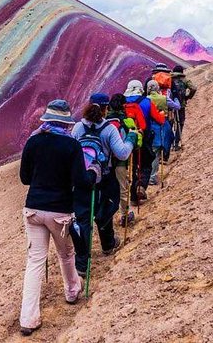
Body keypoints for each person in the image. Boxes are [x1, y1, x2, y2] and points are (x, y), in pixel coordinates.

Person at [19, 99, 97, 336]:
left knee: (34, 261)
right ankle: (72, 291)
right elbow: (81, 182)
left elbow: (24, 178)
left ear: (47, 119)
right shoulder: (71, 145)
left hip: (32, 209)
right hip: (60, 211)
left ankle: (28, 318)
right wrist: (93, 172)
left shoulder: (33, 141)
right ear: (65, 122)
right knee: (66, 254)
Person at [71, 93, 137, 275]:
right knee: (105, 210)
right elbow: (122, 153)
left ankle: (82, 263)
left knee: (83, 219)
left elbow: (72, 150)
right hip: (104, 177)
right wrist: (131, 140)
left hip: (82, 179)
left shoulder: (78, 127)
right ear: (105, 108)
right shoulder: (109, 129)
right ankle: (108, 243)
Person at [123, 80, 165, 202]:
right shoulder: (146, 101)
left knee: (131, 166)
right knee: (145, 164)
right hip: (144, 138)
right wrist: (163, 114)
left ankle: (132, 195)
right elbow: (159, 119)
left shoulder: (122, 102)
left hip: (125, 139)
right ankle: (140, 186)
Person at [105, 94, 141, 227]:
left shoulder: (103, 121)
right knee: (123, 188)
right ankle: (124, 215)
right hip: (121, 161)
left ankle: (105, 216)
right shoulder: (127, 121)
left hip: (105, 162)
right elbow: (136, 142)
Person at [145, 80, 174, 185]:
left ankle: (147, 177)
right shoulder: (164, 98)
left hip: (149, 127)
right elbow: (176, 106)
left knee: (150, 152)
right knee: (156, 153)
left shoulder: (146, 100)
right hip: (161, 126)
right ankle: (152, 177)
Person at [170, 65, 197, 150]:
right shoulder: (184, 80)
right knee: (180, 123)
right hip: (181, 105)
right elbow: (193, 88)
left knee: (170, 123)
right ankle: (176, 143)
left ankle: (169, 143)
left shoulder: (169, 79)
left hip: (170, 105)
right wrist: (188, 97)